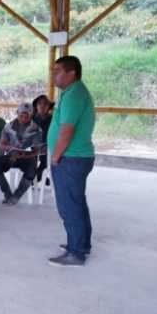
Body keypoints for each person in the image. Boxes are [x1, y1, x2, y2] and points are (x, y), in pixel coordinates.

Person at [47, 56, 96, 268]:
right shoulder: (71, 93)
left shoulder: (74, 94)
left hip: (70, 158)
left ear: (71, 73)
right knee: (77, 203)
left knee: (69, 207)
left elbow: (66, 131)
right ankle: (80, 245)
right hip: (75, 157)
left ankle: (76, 253)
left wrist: (56, 156)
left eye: (58, 70)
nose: (53, 74)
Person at [0, 103, 43, 205]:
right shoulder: (8, 127)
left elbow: (38, 150)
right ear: (17, 113)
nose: (24, 118)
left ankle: (16, 196)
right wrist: (9, 148)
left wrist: (27, 154)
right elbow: (2, 143)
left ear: (31, 115)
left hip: (28, 157)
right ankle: (7, 194)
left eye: (27, 115)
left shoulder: (37, 129)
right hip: (11, 155)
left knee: (32, 170)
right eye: (21, 115)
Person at [32, 95, 53, 182]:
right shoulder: (31, 118)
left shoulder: (53, 119)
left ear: (49, 107)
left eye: (45, 104)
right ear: (36, 106)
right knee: (29, 157)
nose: (42, 106)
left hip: (48, 146)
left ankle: (39, 174)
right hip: (32, 146)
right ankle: (35, 176)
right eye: (39, 103)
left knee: (48, 158)